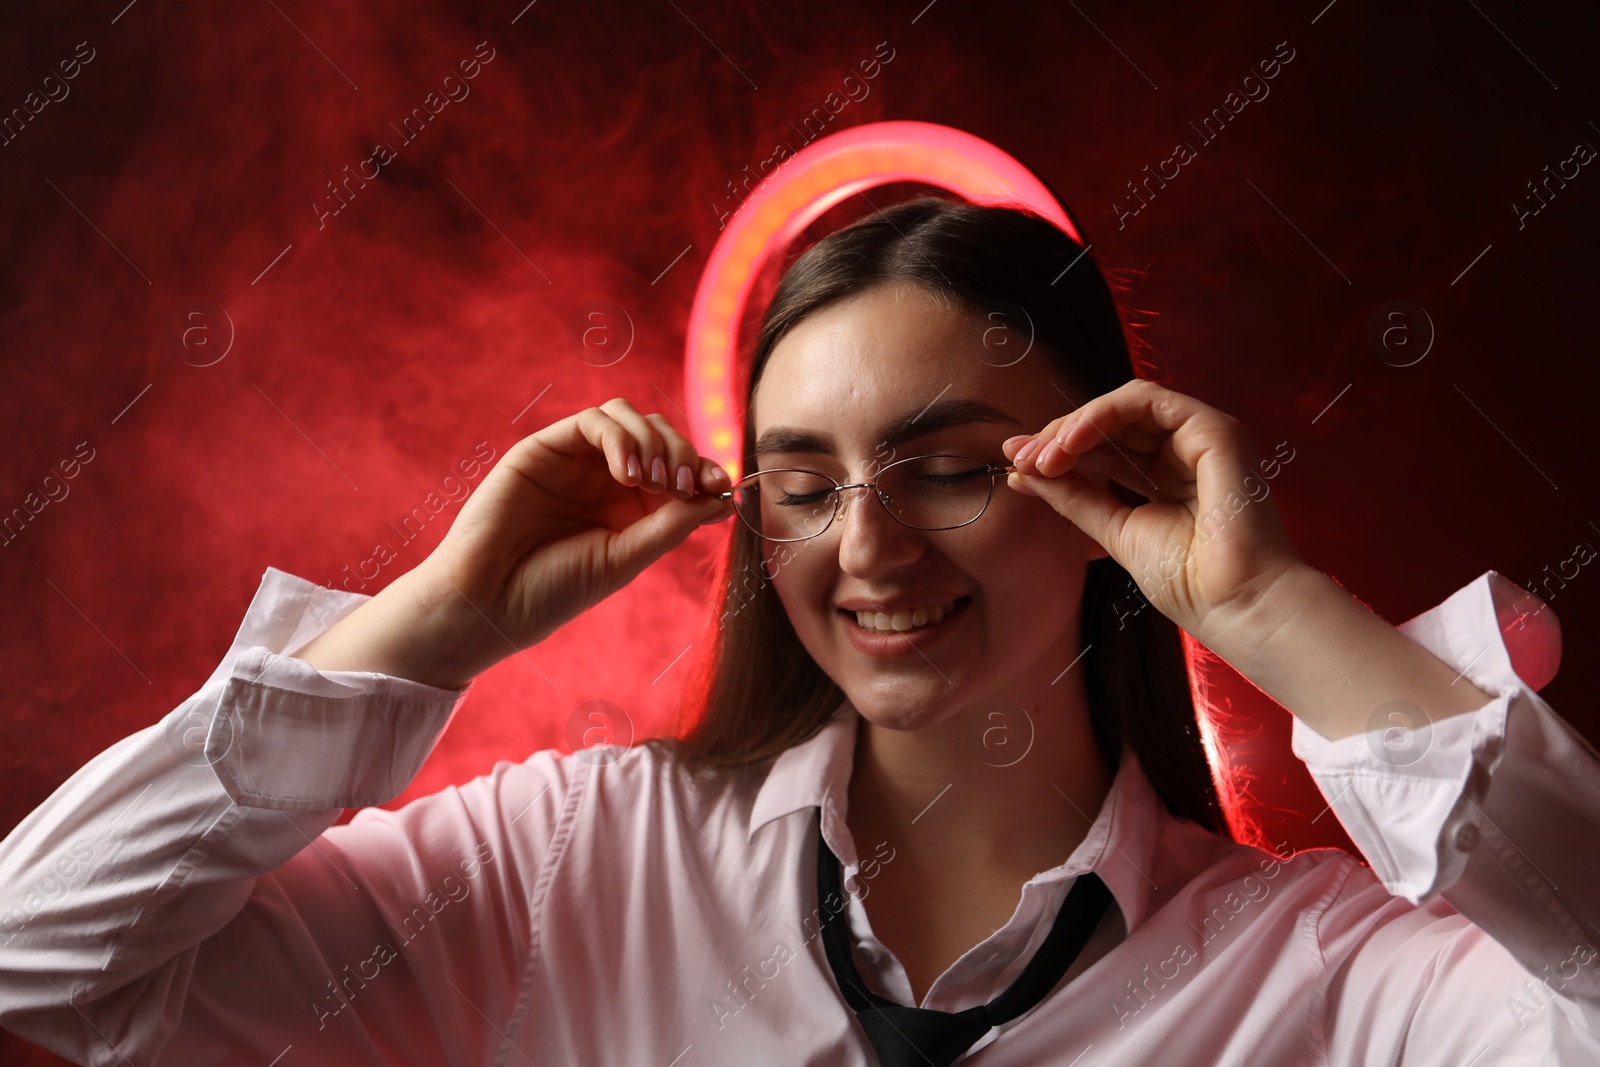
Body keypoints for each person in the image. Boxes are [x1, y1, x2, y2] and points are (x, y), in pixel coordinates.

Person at [0, 196, 1595, 1065]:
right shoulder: (573, 861)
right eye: (802, 483)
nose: (869, 544)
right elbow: (43, 967)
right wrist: (429, 623)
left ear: (1110, 485)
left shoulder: (1317, 975)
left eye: (955, 469)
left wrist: (1270, 606)